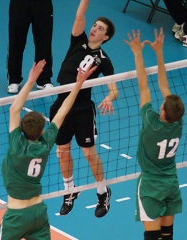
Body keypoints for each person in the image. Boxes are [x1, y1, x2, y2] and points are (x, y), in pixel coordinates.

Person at [0, 60, 97, 240]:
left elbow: (13, 109)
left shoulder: (17, 146)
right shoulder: (45, 143)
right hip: (38, 213)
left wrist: (30, 80)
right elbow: (62, 112)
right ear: (42, 131)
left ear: (21, 130)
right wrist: (79, 83)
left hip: (17, 215)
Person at [49, 0, 118, 218]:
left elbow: (114, 89)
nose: (94, 28)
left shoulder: (104, 60)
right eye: (95, 25)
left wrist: (109, 97)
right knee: (62, 152)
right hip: (61, 104)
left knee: (89, 153)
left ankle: (102, 191)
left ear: (106, 37)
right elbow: (80, 15)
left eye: (100, 28)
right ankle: (70, 190)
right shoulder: (77, 41)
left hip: (82, 109)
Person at [124, 28, 185, 240]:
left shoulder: (152, 123)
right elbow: (163, 85)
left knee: (153, 237)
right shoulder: (178, 123)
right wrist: (159, 54)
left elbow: (144, 87)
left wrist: (138, 54)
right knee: (167, 235)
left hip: (151, 184)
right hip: (171, 183)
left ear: (162, 111)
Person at [7, 0, 54, 94]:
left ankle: (43, 80)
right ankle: (14, 80)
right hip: (20, 4)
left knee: (44, 42)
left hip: (43, 4)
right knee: (16, 41)